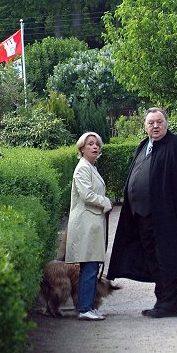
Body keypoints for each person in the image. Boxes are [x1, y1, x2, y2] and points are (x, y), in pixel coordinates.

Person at [108, 107, 177, 318]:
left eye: (159, 122)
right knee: (153, 259)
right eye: (151, 123)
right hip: (142, 216)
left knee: (169, 259)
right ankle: (161, 301)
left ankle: (168, 305)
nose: (155, 126)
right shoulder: (144, 146)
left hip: (170, 216)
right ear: (145, 126)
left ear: (166, 123)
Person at [65, 132, 113, 321]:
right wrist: (106, 202)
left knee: (91, 267)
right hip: (86, 224)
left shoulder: (90, 167)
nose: (95, 147)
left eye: (97, 144)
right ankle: (85, 308)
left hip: (92, 222)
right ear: (82, 148)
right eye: (90, 144)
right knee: (89, 267)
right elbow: (87, 196)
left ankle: (88, 307)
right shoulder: (83, 168)